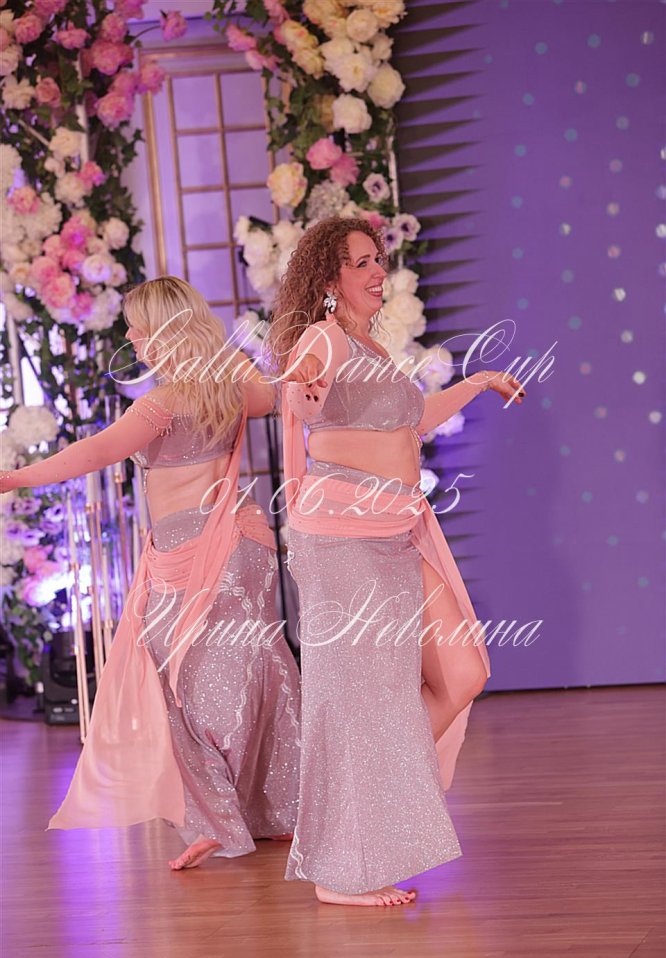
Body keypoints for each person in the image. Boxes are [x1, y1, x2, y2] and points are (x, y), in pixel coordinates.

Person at [266, 217, 526, 907]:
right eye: (361, 262)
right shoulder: (325, 338)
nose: (377, 270)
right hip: (345, 539)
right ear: (330, 280)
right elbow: (301, 389)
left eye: (377, 258)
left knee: (463, 673)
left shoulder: (371, 347)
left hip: (395, 530)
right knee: (363, 699)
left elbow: (410, 420)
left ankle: (376, 806)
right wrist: (303, 389)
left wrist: (476, 383)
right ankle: (339, 869)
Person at [0, 276, 301, 870]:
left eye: (138, 328)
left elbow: (94, 453)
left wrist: (14, 477)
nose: (132, 339)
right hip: (248, 543)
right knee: (262, 671)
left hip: (190, 552)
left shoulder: (159, 405)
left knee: (173, 686)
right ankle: (275, 809)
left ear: (163, 332)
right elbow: (271, 395)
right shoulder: (233, 390)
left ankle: (218, 817)